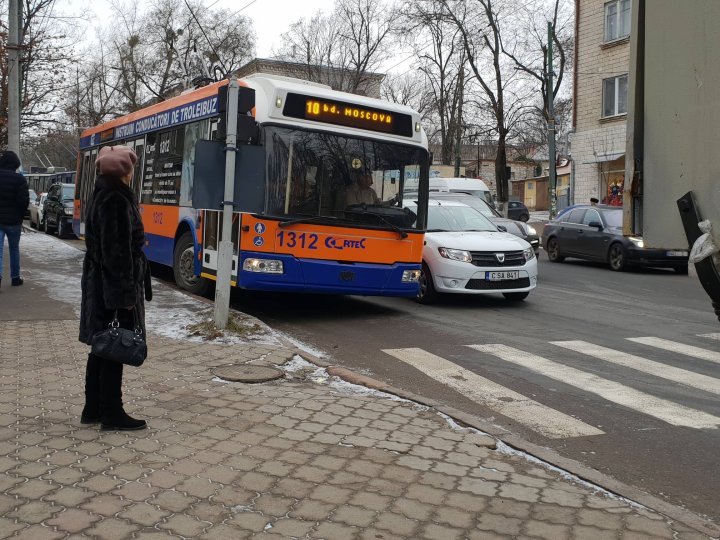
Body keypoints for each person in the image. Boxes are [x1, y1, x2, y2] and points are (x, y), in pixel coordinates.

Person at [78, 145, 152, 430]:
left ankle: (93, 408)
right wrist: (124, 296)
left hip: (100, 284)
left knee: (102, 344)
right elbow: (117, 253)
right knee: (115, 345)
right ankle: (112, 412)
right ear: (125, 171)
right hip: (112, 287)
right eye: (131, 168)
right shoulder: (116, 198)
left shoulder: (102, 193)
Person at [0, 150, 28, 288]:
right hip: (14, 221)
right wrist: (20, 216)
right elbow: (24, 201)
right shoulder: (20, 179)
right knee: (14, 249)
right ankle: (15, 278)